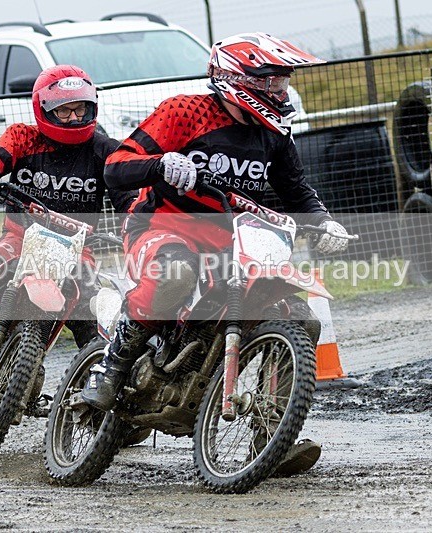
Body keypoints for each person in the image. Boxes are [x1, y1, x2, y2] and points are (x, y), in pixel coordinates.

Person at [80, 33, 349, 473]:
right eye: (273, 83)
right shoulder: (184, 111)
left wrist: (324, 223)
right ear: (237, 80)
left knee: (300, 318)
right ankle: (111, 368)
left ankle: (272, 439)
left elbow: (296, 191)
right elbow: (115, 167)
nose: (281, 92)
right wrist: (161, 164)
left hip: (235, 238)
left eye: (284, 83)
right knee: (174, 274)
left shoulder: (275, 132)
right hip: (163, 226)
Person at [0, 64, 135, 386]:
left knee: (93, 305)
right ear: (44, 109)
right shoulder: (23, 136)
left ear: (93, 106)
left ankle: (92, 387)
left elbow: (130, 200)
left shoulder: (106, 150)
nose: (74, 118)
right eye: (64, 111)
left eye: (81, 109)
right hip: (20, 237)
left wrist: (138, 224)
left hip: (78, 248)